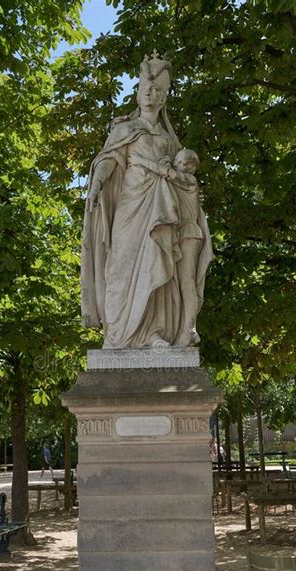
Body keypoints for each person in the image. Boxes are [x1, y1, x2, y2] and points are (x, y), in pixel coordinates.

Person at [81, 52, 213, 349]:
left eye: (156, 91)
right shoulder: (124, 129)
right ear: (138, 94)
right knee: (120, 266)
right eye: (145, 90)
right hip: (131, 206)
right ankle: (117, 335)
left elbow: (183, 174)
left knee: (159, 263)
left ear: (164, 98)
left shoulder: (169, 139)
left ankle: (155, 332)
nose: (150, 94)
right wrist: (96, 185)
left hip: (162, 207)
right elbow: (109, 160)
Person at [127, 147, 212, 346]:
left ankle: (190, 327)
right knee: (175, 284)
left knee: (186, 282)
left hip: (189, 235)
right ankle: (176, 327)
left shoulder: (189, 181)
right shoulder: (175, 179)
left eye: (181, 162)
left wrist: (141, 159)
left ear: (190, 168)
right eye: (177, 160)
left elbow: (168, 173)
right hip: (177, 234)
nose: (176, 164)